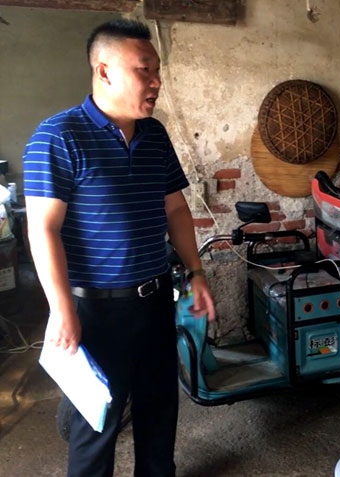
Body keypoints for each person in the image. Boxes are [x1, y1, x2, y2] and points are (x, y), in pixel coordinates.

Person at [23, 19, 215, 477]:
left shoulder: (155, 135)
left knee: (159, 413)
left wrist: (196, 272)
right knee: (97, 427)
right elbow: (43, 229)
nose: (157, 81)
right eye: (144, 69)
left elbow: (175, 209)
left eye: (157, 70)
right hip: (95, 312)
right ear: (104, 71)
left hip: (155, 301)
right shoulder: (58, 136)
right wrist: (61, 309)